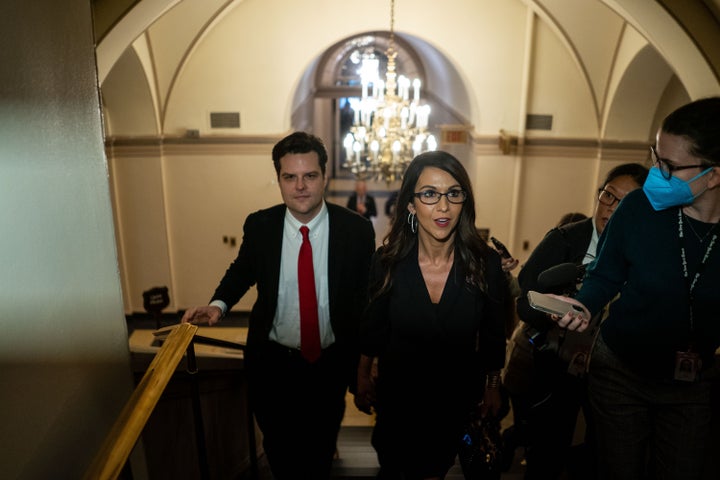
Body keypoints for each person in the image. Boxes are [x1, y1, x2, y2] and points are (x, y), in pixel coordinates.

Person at [181, 132, 375, 479]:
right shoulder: (261, 225)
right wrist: (219, 304)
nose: (300, 186)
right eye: (290, 177)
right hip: (272, 366)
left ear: (324, 177)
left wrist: (364, 368)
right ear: (279, 179)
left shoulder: (356, 231)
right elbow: (242, 271)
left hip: (327, 368)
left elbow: (366, 301)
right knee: (280, 454)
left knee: (317, 458)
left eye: (310, 176)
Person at [551, 97, 720, 480]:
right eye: (655, 157)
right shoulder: (637, 209)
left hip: (691, 384)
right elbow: (604, 275)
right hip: (620, 374)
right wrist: (582, 306)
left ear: (713, 175)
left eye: (669, 166)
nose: (655, 173)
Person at [354, 151, 510, 479]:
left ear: (464, 202)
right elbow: (373, 328)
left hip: (453, 402)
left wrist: (493, 385)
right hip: (398, 402)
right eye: (429, 194)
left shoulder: (486, 264)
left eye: (453, 193)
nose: (443, 206)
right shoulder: (387, 261)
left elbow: (495, 335)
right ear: (411, 204)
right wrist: (363, 375)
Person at [509, 163, 648, 479]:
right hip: (556, 365)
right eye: (608, 197)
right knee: (547, 451)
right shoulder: (564, 239)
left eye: (625, 203)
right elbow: (526, 299)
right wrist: (554, 314)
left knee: (603, 455)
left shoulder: (644, 251)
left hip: (614, 372)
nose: (611, 209)